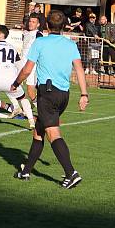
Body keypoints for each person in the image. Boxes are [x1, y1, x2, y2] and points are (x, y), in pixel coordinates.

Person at [12, 10, 89, 190]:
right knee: (38, 131)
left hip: (47, 93)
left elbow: (27, 69)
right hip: (64, 94)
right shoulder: (70, 44)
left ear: (46, 25)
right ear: (64, 27)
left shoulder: (40, 42)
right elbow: (79, 70)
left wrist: (16, 83)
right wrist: (84, 94)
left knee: (53, 133)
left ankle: (71, 173)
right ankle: (26, 171)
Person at [21, 14, 43, 102]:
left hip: (31, 65)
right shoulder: (25, 33)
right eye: (30, 21)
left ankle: (41, 109)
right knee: (13, 85)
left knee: (30, 90)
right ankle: (18, 108)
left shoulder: (38, 34)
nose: (30, 23)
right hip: (21, 63)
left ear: (38, 24)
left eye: (33, 22)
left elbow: (40, 49)